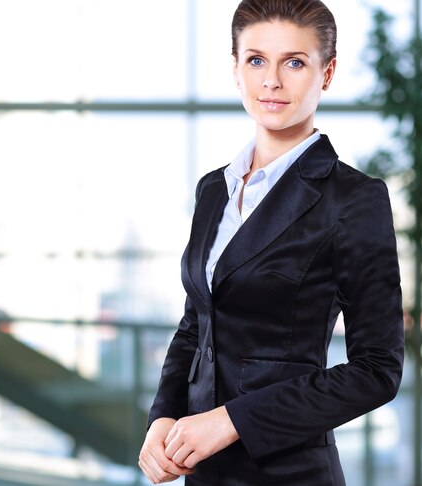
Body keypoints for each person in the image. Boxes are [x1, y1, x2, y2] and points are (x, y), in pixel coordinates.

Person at [138, 0, 404, 484]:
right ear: (235, 69)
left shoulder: (354, 198)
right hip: (202, 470)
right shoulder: (213, 190)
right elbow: (196, 326)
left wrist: (232, 421)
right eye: (256, 60)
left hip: (289, 471)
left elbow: (377, 370)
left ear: (327, 72)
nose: (272, 81)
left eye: (295, 62)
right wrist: (163, 417)